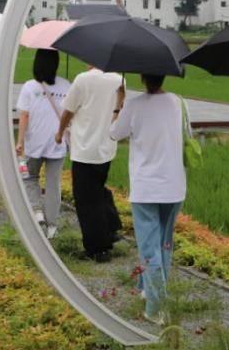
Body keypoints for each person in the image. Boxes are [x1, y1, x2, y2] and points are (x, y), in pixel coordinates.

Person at [109, 73, 186, 325]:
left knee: (149, 248)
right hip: (173, 185)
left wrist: (118, 105)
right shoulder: (178, 102)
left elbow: (114, 133)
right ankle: (148, 289)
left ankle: (156, 308)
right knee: (164, 242)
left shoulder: (134, 104)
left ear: (142, 76)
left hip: (146, 188)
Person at [56, 66, 124, 262]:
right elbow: (119, 110)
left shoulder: (83, 79)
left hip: (85, 149)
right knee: (97, 190)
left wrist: (60, 132)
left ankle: (97, 249)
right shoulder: (119, 80)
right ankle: (110, 229)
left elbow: (68, 111)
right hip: (106, 147)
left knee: (86, 200)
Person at [16, 49, 70, 238]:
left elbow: (24, 115)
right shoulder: (65, 85)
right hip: (57, 141)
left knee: (29, 178)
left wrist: (20, 141)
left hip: (34, 143)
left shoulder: (30, 87)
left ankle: (37, 212)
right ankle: (52, 226)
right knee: (53, 183)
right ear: (56, 64)